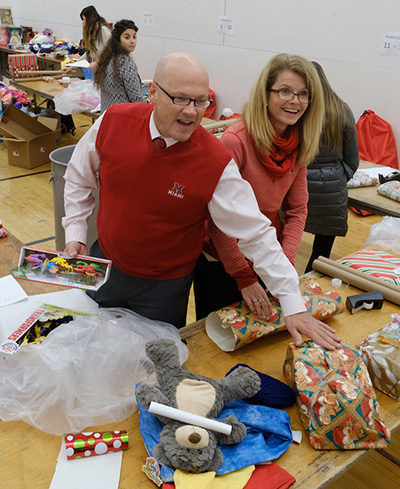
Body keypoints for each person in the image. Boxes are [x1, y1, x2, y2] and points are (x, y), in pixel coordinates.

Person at [62, 51, 341, 350]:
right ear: (153, 92)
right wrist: (75, 233)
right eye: (180, 99)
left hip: (164, 287)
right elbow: (79, 177)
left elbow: (255, 232)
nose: (191, 112)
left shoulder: (214, 161)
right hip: (104, 266)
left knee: (153, 364)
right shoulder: (113, 122)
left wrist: (292, 303)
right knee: (91, 347)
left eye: (200, 101)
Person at [194, 53, 324, 320]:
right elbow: (216, 219)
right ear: (266, 95)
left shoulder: (299, 145)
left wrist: (284, 266)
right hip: (223, 262)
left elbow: (298, 210)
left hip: (265, 256)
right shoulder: (235, 142)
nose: (294, 101)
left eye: (303, 94)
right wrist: (243, 275)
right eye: (285, 91)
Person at [304, 62, 359, 273]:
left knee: (284, 246)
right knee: (320, 255)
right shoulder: (341, 109)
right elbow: (353, 159)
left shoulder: (299, 109)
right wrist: (336, 178)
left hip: (298, 185)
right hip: (332, 189)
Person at [94, 19, 146, 113]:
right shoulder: (126, 63)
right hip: (121, 119)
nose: (132, 41)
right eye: (127, 37)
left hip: (106, 117)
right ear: (118, 40)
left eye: (134, 37)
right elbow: (136, 98)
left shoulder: (106, 58)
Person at [77, 6, 111, 70]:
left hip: (107, 70)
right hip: (99, 69)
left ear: (89, 20)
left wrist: (97, 64)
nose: (83, 22)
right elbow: (89, 53)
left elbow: (112, 54)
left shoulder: (104, 32)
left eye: (84, 19)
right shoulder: (93, 32)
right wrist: (73, 65)